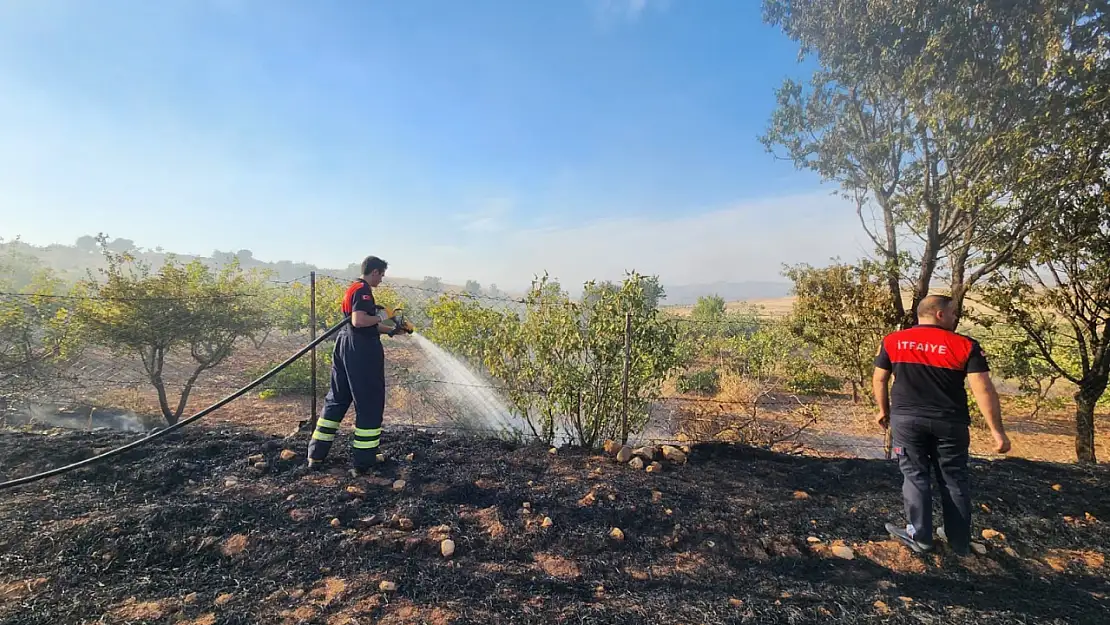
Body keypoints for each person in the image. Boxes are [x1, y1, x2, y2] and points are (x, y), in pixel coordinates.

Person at [872, 294, 1011, 556]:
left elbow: (880, 378)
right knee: (954, 479)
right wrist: (997, 431)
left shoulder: (893, 341)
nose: (956, 317)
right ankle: (958, 541)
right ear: (939, 314)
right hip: (951, 423)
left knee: (915, 476)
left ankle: (920, 536)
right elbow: (983, 389)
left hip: (907, 422)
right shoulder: (966, 345)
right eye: (953, 313)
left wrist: (883, 410)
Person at [307, 255, 407, 472]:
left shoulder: (353, 288)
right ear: (375, 272)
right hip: (361, 350)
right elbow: (359, 321)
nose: (381, 280)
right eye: (381, 275)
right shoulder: (363, 290)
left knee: (337, 398)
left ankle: (316, 455)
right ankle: (364, 460)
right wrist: (383, 315)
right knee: (369, 401)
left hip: (346, 344)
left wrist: (393, 329)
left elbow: (359, 324)